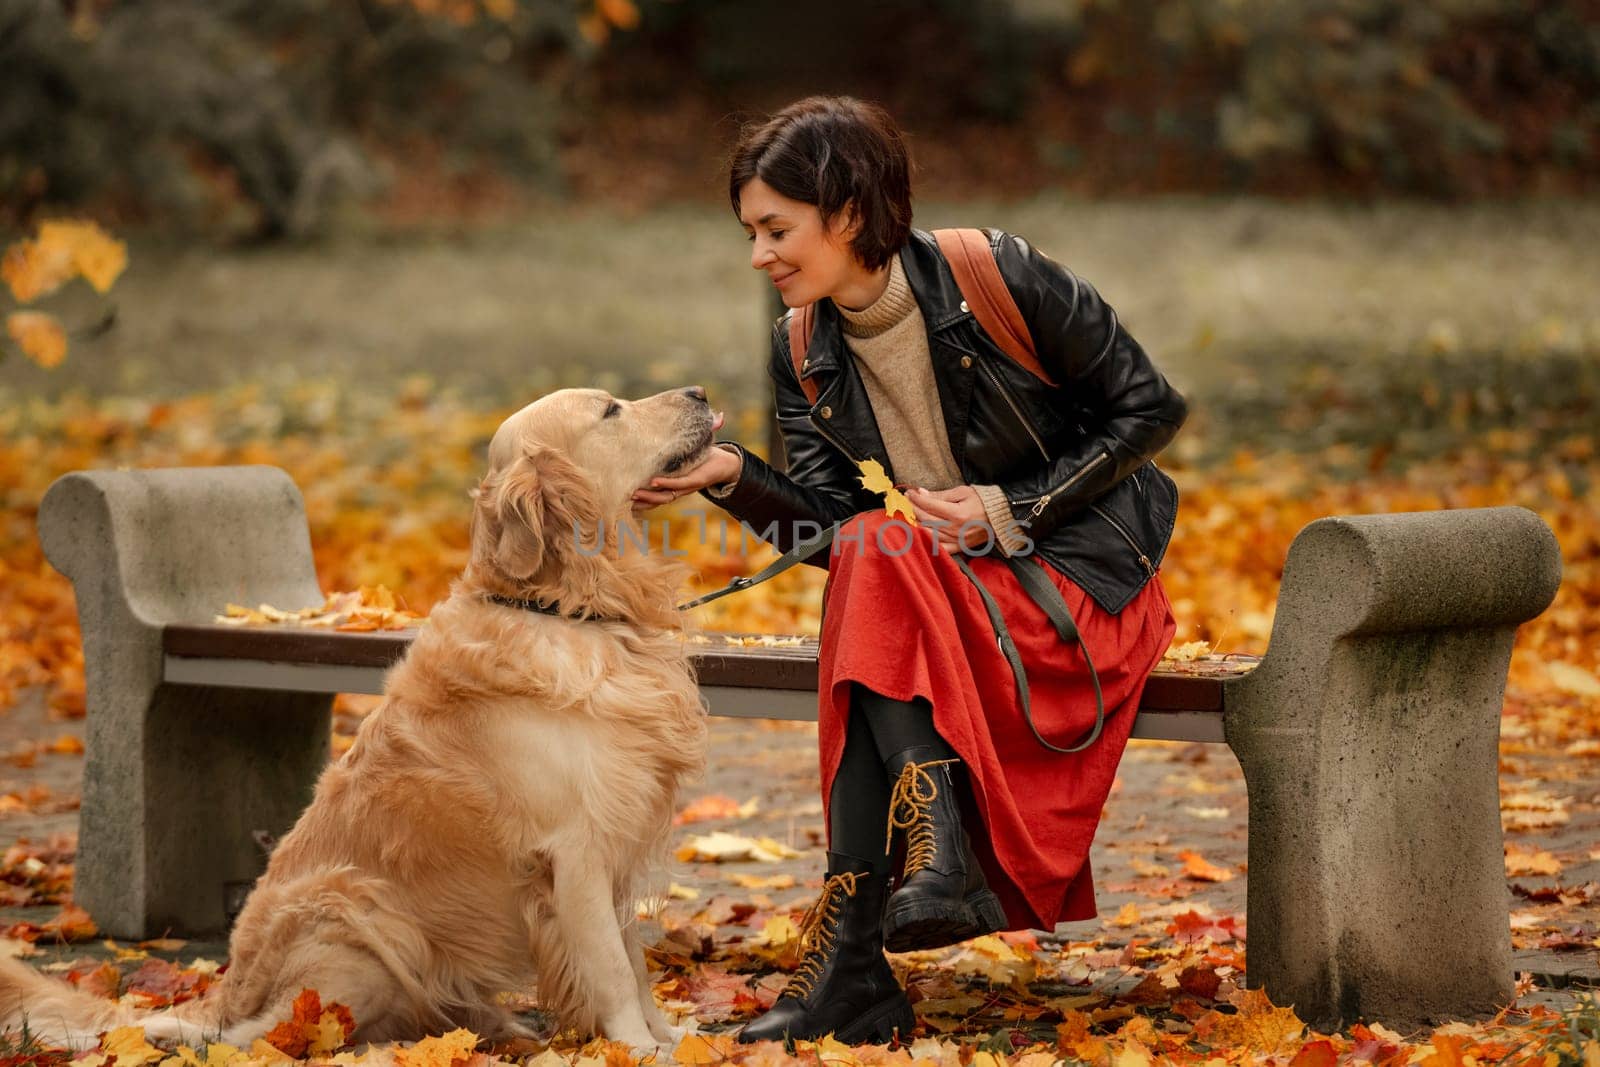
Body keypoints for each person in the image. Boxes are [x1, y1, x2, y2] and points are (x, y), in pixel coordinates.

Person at [632, 96, 1187, 1046]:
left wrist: (1011, 508)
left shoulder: (997, 274)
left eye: (775, 229)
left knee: (875, 571)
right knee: (869, 553)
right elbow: (828, 531)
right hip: (945, 595)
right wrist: (730, 477)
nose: (758, 255)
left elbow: (1149, 409)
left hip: (1077, 586)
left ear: (846, 212)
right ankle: (926, 862)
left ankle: (857, 953)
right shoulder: (802, 344)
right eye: (751, 233)